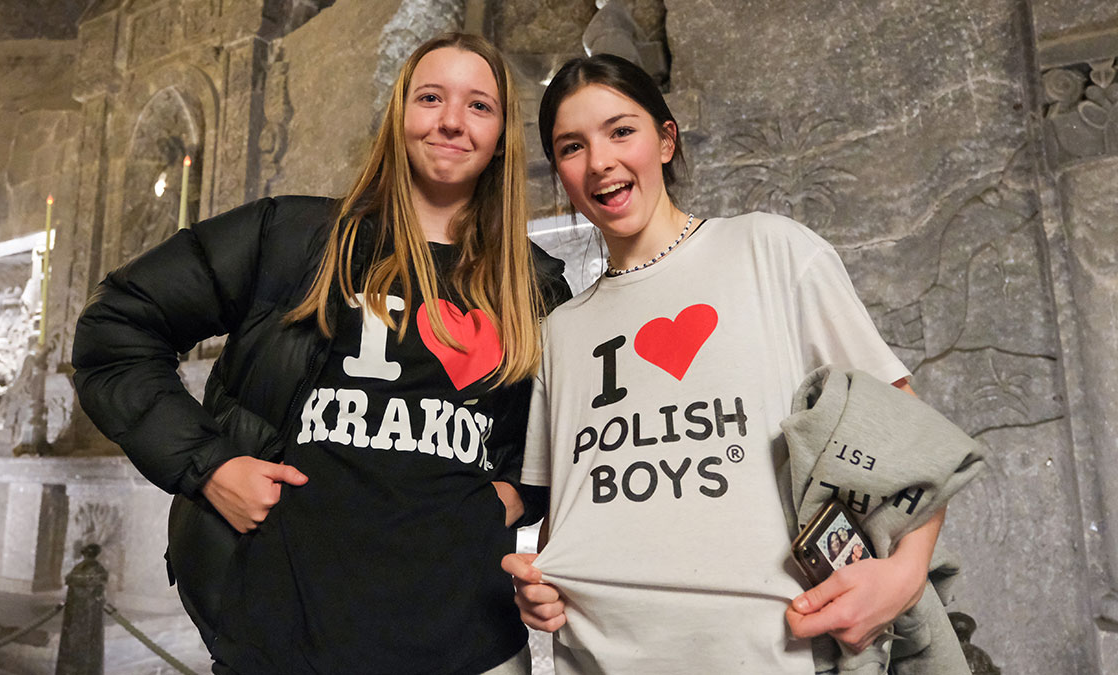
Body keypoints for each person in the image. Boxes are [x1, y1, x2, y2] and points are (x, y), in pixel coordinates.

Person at [73, 33, 570, 675]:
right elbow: (116, 329)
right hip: (285, 635)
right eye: (430, 97)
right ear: (399, 115)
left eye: (480, 106)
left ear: (502, 135)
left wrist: (516, 494)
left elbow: (563, 434)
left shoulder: (531, 285)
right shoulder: (292, 239)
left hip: (469, 645)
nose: (451, 120)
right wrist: (210, 466)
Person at [502, 53, 947, 673]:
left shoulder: (771, 250)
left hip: (777, 654)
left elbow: (912, 437)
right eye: (572, 147)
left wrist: (903, 575)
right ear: (560, 173)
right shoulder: (559, 334)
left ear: (665, 139)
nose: (600, 160)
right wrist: (539, 587)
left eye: (621, 130)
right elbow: (567, 524)